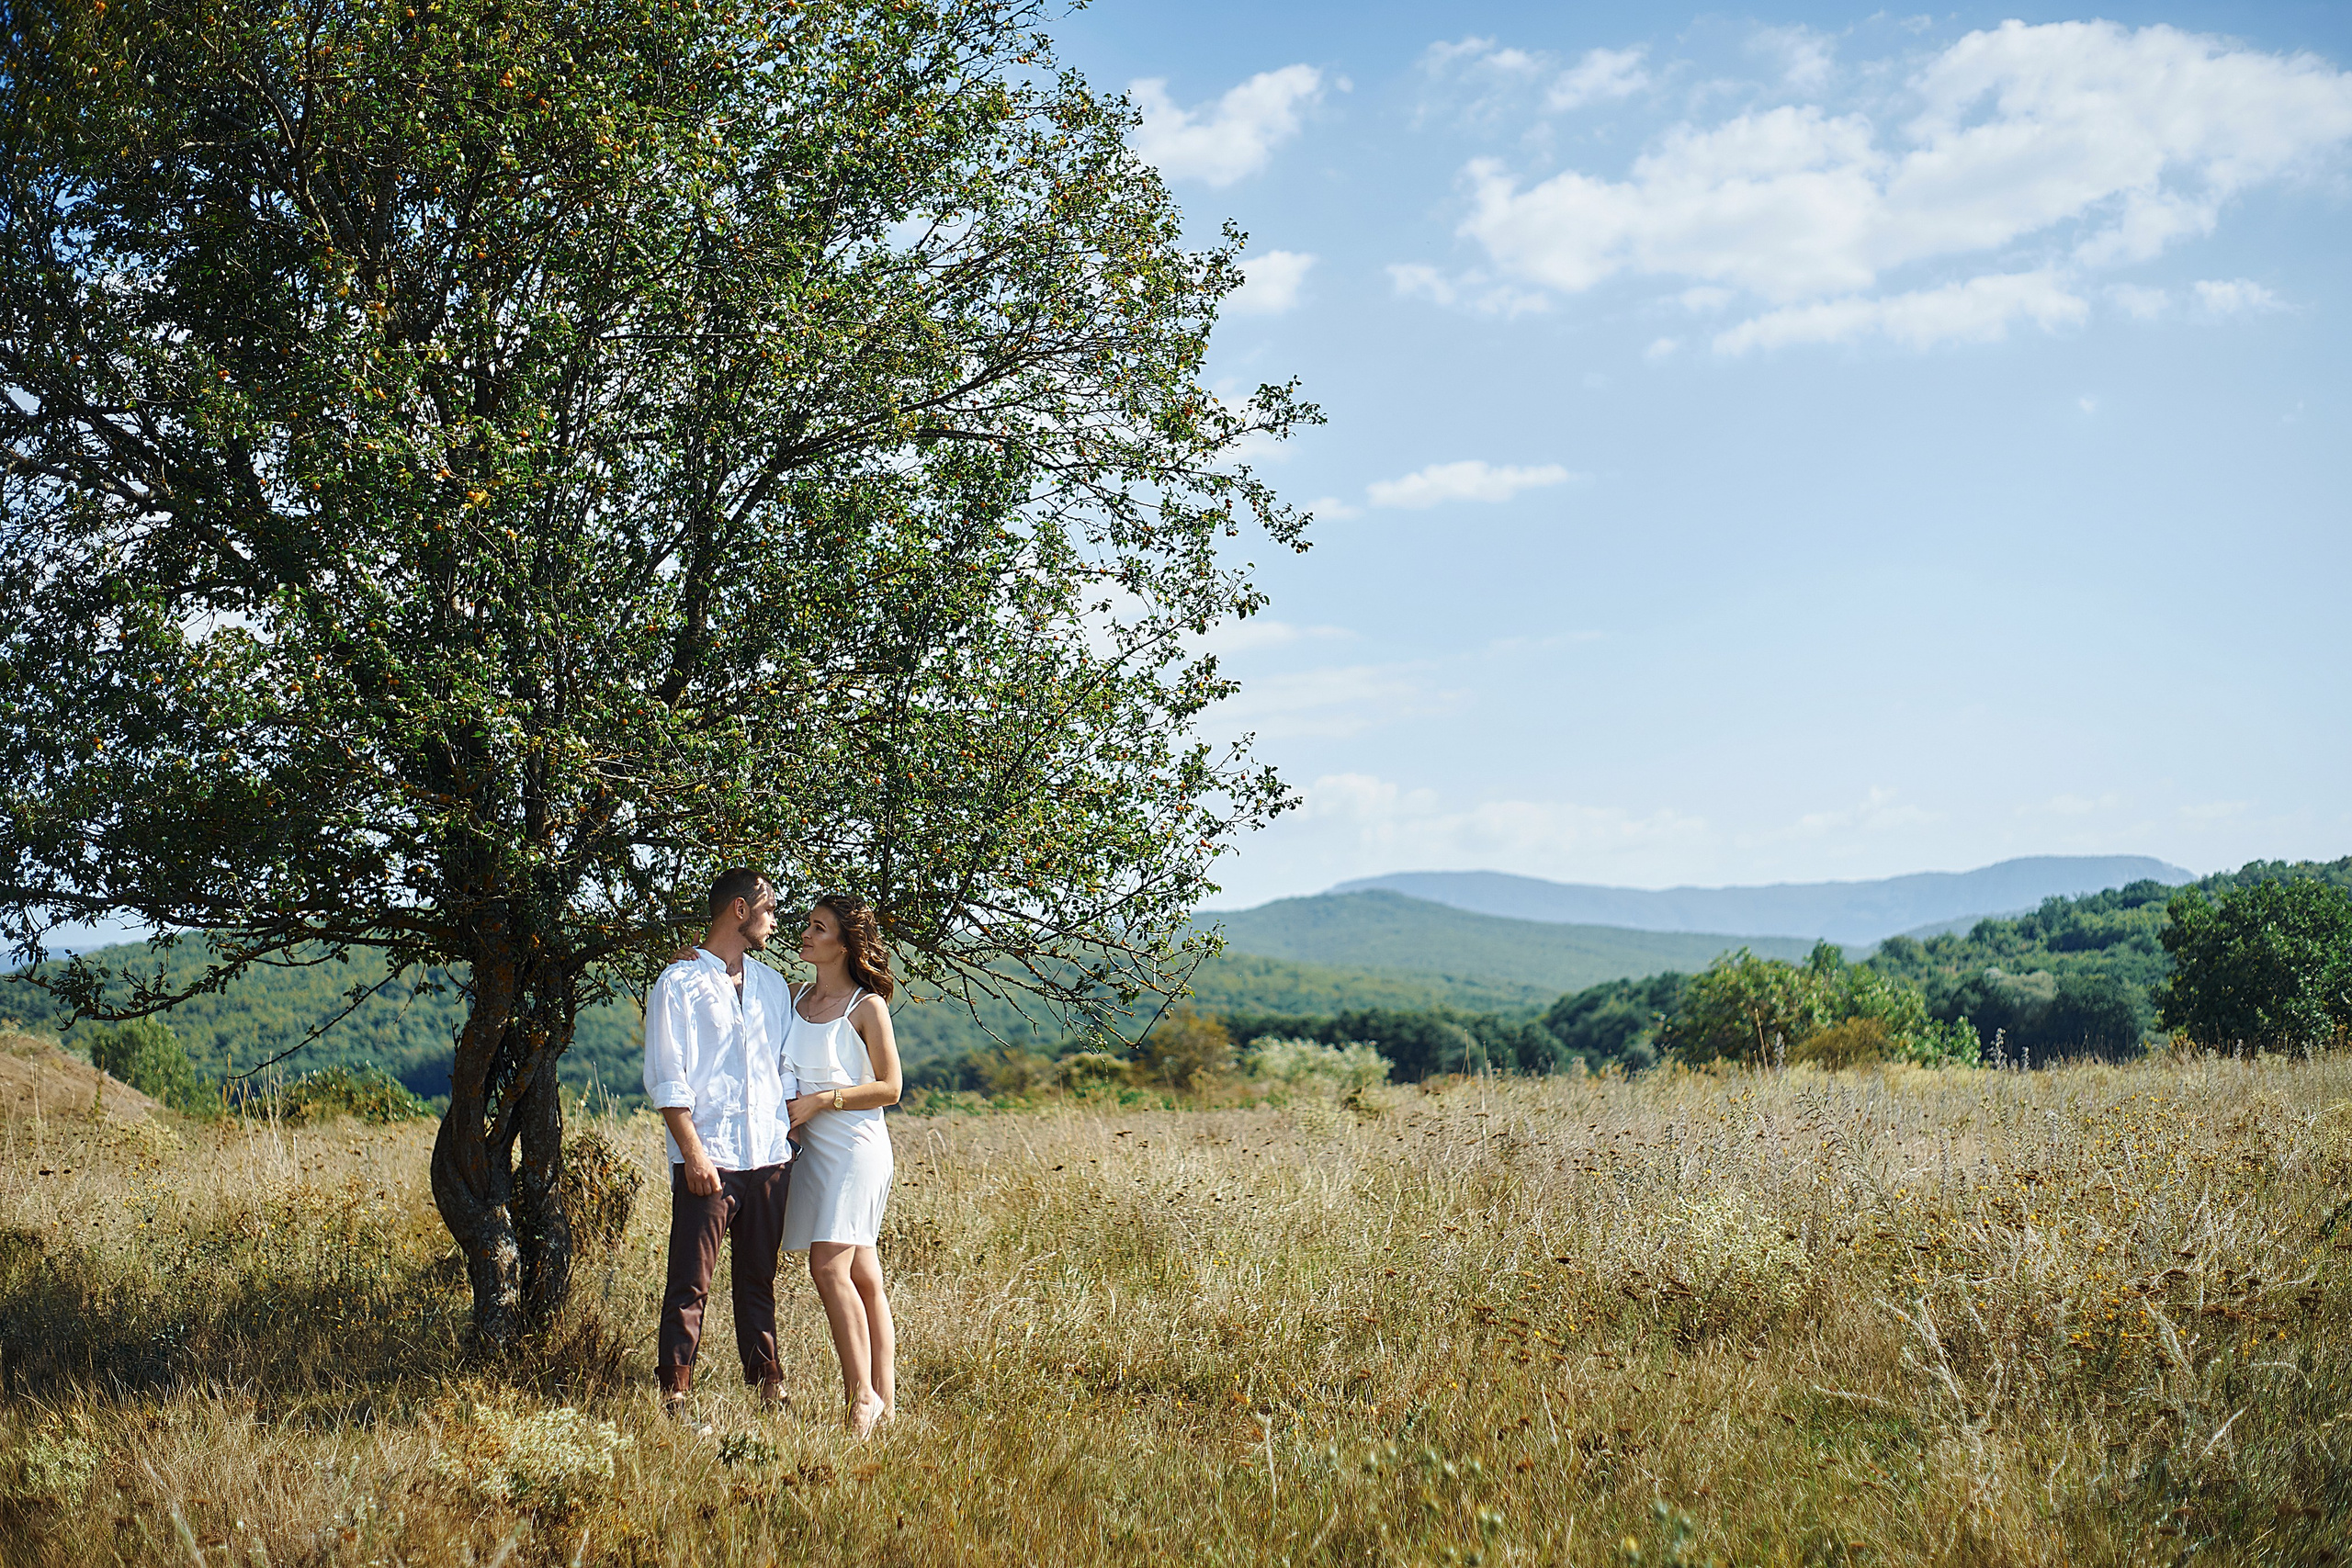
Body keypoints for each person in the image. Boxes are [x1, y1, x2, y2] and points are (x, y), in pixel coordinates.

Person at [642, 867, 799, 1426]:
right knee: (690, 1282)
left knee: (759, 1279)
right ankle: (675, 1395)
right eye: (770, 909)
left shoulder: (773, 986)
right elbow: (668, 1078)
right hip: (709, 1159)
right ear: (740, 909)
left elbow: (784, 1068)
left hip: (769, 1157)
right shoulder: (677, 983)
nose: (775, 921)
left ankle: (769, 1387)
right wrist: (694, 1154)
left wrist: (791, 1141)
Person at [779, 896, 903, 1438]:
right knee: (863, 1273)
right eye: (807, 925)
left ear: (845, 944)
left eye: (817, 928)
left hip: (856, 1148)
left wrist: (819, 1101)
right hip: (811, 1155)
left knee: (828, 1267)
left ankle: (861, 1399)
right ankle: (889, 1403)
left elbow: (890, 1087)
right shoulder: (793, 997)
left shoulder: (866, 1007)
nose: (805, 935)